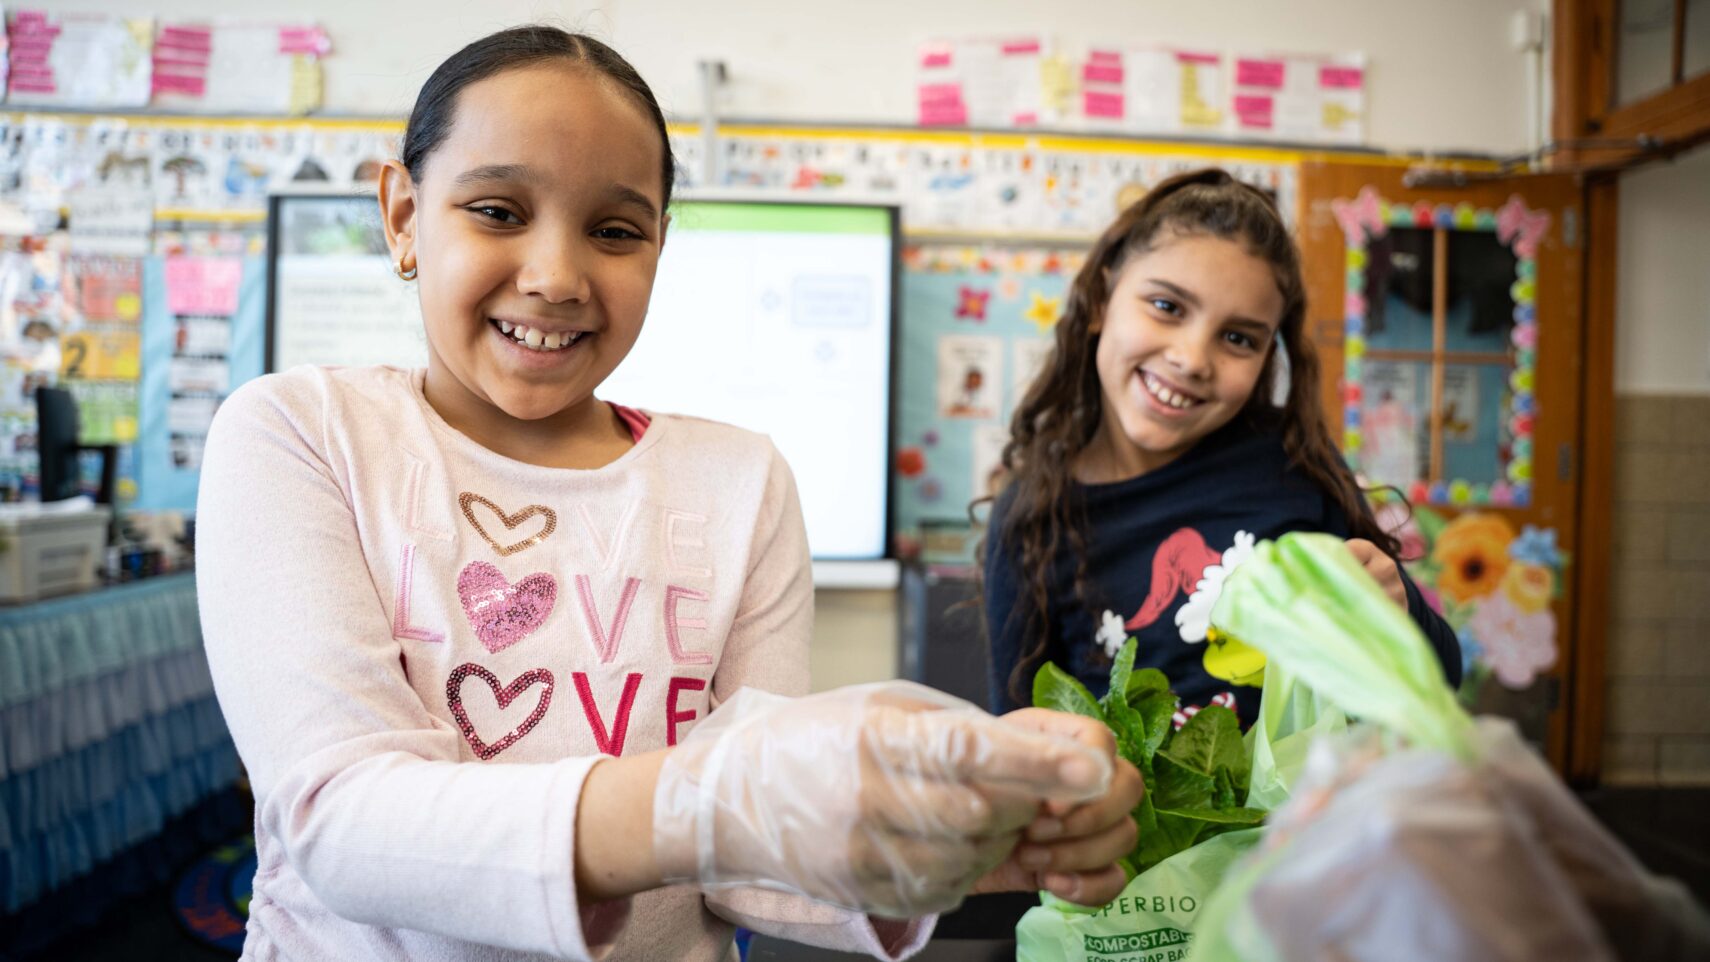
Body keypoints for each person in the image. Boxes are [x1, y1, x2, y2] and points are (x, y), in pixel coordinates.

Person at [196, 26, 1142, 962]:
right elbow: (345, 820)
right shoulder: (300, 434)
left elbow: (743, 865)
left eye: (614, 231)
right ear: (403, 214)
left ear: (658, 245)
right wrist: (712, 800)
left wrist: (953, 838)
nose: (556, 276)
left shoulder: (740, 483)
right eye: (496, 210)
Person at [981, 168, 1461, 724]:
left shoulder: (1293, 466)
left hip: (1308, 809)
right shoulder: (1030, 520)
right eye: (1166, 306)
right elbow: (1014, 741)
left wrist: (1396, 605)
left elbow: (1439, 679)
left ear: (1264, 360)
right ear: (1099, 300)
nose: (1191, 359)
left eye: (1238, 338)